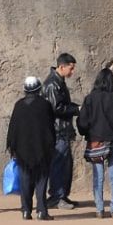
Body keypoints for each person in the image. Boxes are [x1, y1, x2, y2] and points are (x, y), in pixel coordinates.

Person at [75, 66, 113, 218]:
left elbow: (82, 121)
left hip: (96, 142)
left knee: (98, 176)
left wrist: (87, 133)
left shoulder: (89, 99)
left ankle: (99, 208)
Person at [6, 76, 58, 220]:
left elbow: (13, 128)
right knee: (41, 179)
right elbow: (50, 126)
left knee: (25, 178)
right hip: (42, 148)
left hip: (22, 149)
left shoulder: (19, 105)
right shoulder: (45, 105)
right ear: (39, 88)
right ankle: (41, 210)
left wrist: (13, 147)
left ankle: (26, 210)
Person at [41, 52, 80, 209]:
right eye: (71, 68)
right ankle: (56, 196)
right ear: (62, 66)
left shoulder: (59, 82)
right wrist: (77, 109)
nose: (72, 72)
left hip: (62, 130)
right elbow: (56, 108)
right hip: (57, 131)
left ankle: (62, 194)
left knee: (65, 164)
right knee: (58, 164)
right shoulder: (52, 84)